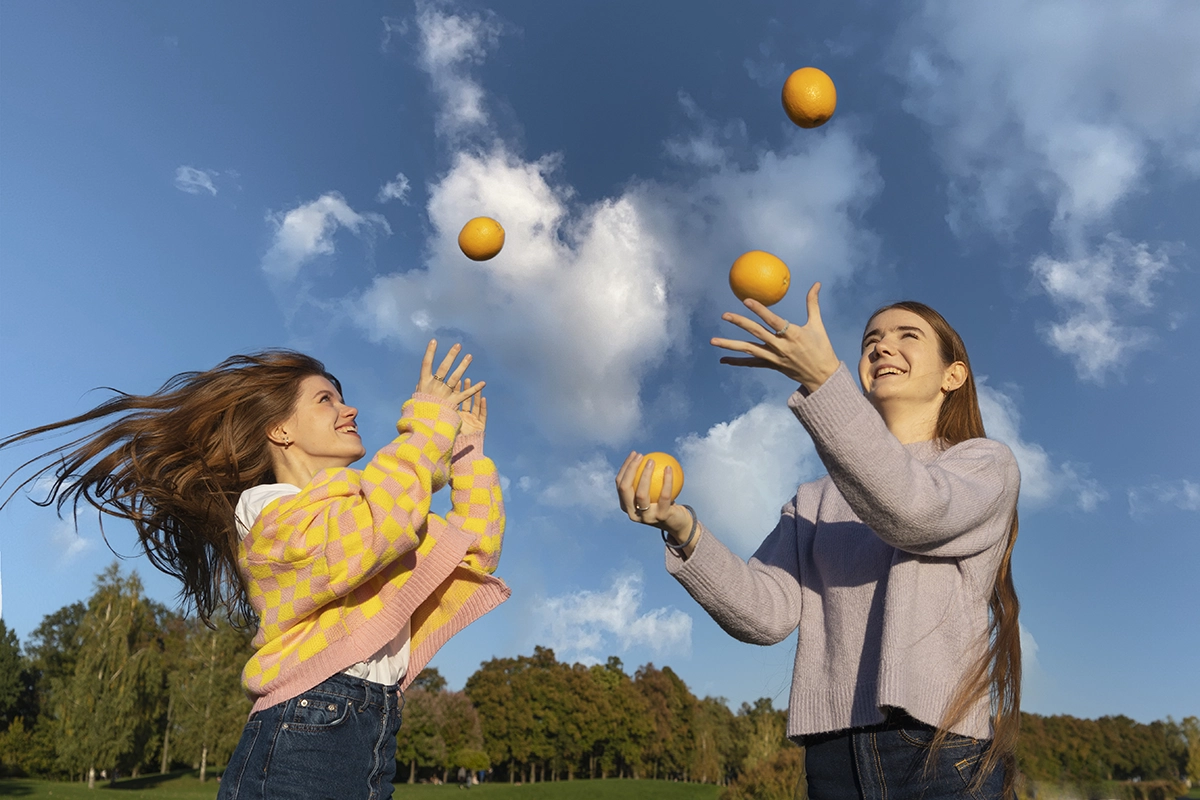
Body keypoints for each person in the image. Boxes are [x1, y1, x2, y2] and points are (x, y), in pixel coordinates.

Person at [1, 340, 509, 800]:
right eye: (325, 399)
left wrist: (464, 453)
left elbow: (472, 555)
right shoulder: (270, 512)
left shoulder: (367, 511)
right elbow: (385, 521)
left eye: (341, 397)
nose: (348, 408)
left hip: (373, 729)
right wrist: (425, 426)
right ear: (279, 429)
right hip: (311, 725)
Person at [616, 284, 1021, 800]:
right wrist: (682, 529)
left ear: (953, 375)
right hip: (832, 760)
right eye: (871, 339)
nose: (880, 347)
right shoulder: (813, 498)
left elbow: (913, 511)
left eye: (907, 335)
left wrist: (822, 381)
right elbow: (765, 615)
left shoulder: (982, 465)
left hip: (937, 751)